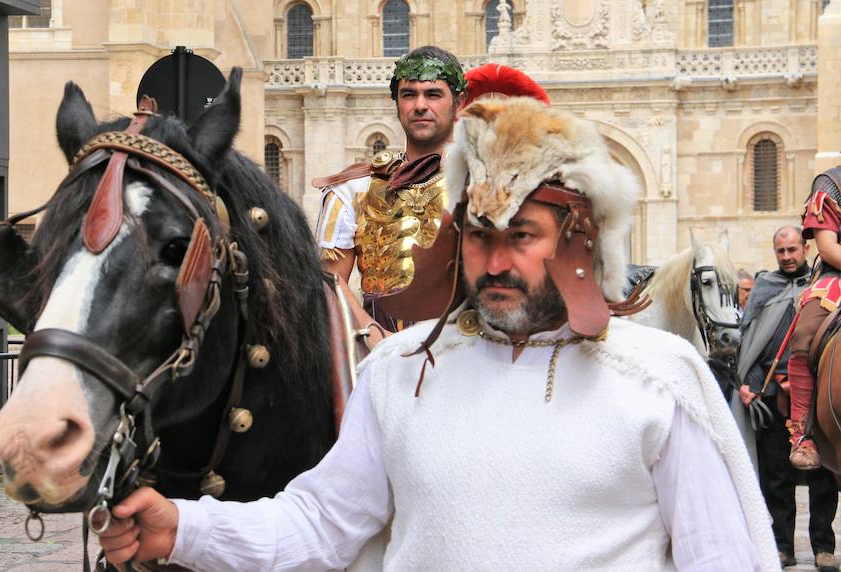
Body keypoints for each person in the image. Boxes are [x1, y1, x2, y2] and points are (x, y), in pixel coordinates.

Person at [99, 97, 778, 570]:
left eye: (522, 235)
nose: (496, 260)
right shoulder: (401, 371)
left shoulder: (658, 379)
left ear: (579, 239)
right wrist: (183, 527)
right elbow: (318, 526)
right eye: (479, 236)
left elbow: (720, 558)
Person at [313, 45, 466, 342]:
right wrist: (372, 336)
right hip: (380, 352)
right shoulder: (353, 188)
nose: (420, 105)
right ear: (396, 103)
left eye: (433, 94)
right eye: (409, 94)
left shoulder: (483, 184)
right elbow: (328, 280)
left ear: (459, 102)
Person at [737, 226, 838, 570]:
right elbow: (749, 342)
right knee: (776, 478)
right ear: (775, 252)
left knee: (823, 474)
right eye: (781, 252)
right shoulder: (765, 287)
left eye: (793, 250)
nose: (787, 257)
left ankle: (824, 547)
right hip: (771, 393)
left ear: (806, 248)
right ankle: (782, 546)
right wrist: (752, 382)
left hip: (812, 393)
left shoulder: (821, 288)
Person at [787, 166, 841, 470]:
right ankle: (802, 432)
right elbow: (828, 247)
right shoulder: (831, 183)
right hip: (838, 275)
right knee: (806, 331)